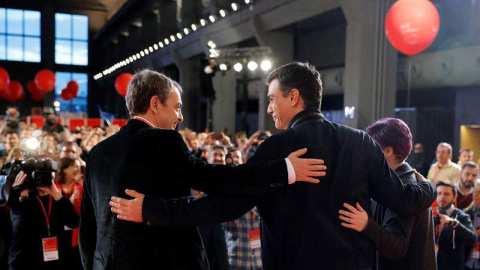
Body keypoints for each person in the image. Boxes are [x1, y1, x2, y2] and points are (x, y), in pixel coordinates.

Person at [111, 62, 436, 270]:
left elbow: (220, 207)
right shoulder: (360, 143)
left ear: (293, 97)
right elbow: (405, 199)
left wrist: (151, 210)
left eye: (272, 98)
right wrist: (430, 185)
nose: (269, 109)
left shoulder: (276, 148)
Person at [80, 69, 326, 270]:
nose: (181, 117)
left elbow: (88, 228)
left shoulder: (98, 152)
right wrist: (284, 170)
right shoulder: (162, 140)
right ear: (155, 104)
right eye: (177, 107)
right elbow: (216, 179)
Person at [338, 118, 436, 270]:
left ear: (388, 151)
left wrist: (366, 224)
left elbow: (396, 246)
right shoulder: (395, 181)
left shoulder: (403, 185)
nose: (366, 154)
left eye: (371, 148)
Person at [9, 168, 79, 270]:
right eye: (36, 176)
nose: (40, 179)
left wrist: (55, 193)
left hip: (54, 260)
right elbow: (22, 227)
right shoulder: (21, 197)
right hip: (26, 260)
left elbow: (73, 222)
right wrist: (23, 195)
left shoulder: (56, 198)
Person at [434, 180, 476, 270]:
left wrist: (454, 223)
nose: (442, 197)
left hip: (452, 266)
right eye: (439, 193)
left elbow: (472, 239)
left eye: (446, 194)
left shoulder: (462, 216)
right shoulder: (429, 214)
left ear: (454, 197)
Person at [55, 157, 83, 270]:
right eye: (75, 166)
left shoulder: (81, 187)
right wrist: (68, 204)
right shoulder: (53, 187)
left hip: (76, 237)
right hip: (57, 235)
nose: (78, 169)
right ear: (64, 169)